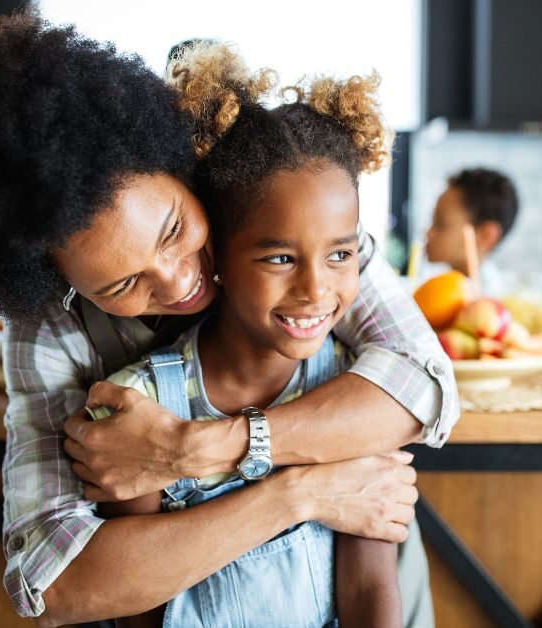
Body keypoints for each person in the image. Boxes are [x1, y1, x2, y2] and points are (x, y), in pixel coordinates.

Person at [0, 11, 458, 625]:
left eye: (173, 230)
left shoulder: (287, 230)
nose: (179, 280)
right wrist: (300, 492)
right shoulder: (52, 330)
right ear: (57, 283)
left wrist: (193, 450)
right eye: (124, 282)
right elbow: (53, 582)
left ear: (182, 166)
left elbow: (423, 384)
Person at [93, 43, 400, 627]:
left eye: (340, 253)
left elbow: (369, 585)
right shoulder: (142, 410)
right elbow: (135, 602)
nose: (316, 289)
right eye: (281, 258)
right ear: (218, 259)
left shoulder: (356, 396)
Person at [424, 168, 519, 292]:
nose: (428, 233)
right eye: (432, 220)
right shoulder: (433, 288)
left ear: (486, 235)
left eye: (441, 224)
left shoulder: (489, 302)